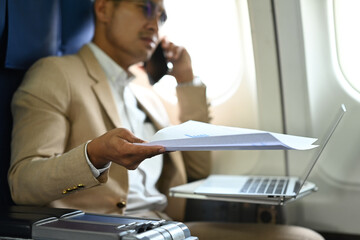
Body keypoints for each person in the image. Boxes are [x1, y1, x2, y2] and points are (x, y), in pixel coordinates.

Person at [8, 0, 324, 239]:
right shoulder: (57, 74)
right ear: (104, 9)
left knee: (304, 237)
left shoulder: (145, 91)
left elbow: (199, 169)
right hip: (106, 231)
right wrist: (95, 155)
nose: (155, 26)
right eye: (145, 8)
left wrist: (186, 82)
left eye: (161, 16)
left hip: (167, 227)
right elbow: (24, 184)